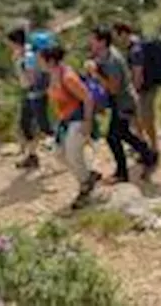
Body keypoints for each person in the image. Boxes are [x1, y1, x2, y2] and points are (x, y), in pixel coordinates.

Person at [90, 27, 158, 184]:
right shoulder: (104, 55)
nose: (90, 43)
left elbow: (113, 87)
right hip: (119, 102)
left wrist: (97, 74)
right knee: (122, 133)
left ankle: (122, 172)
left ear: (102, 42)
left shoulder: (112, 60)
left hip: (123, 102)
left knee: (113, 136)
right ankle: (148, 155)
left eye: (93, 40)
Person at [40, 43, 98, 209]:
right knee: (59, 154)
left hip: (78, 119)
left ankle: (85, 185)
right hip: (66, 120)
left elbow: (87, 98)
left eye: (41, 60)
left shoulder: (67, 77)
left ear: (50, 61)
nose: (39, 63)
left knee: (73, 154)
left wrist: (88, 123)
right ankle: (87, 175)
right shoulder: (54, 74)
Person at [6, 28, 53, 170]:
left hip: (34, 93)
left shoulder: (28, 56)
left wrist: (29, 86)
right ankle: (32, 156)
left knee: (42, 124)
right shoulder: (22, 53)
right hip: (29, 93)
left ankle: (66, 144)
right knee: (26, 124)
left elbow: (32, 77)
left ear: (15, 42)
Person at [112, 23, 160, 152]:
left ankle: (153, 147)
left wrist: (134, 92)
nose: (115, 39)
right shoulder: (136, 45)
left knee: (146, 118)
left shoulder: (135, 50)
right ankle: (143, 143)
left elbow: (138, 74)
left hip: (144, 89)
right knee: (138, 118)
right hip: (147, 87)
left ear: (123, 34)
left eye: (116, 35)